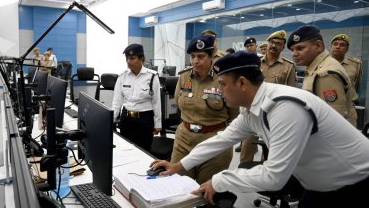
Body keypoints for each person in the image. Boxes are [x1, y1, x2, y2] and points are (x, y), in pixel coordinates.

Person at [151, 51, 369, 208]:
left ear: (242, 83)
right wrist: (179, 165)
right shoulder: (254, 109)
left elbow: (274, 177)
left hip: (353, 186)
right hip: (319, 186)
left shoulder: (285, 107)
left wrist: (219, 181)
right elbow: (221, 139)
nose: (219, 90)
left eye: (223, 84)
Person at [171, 34, 238, 184]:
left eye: (200, 56)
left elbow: (234, 114)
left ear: (211, 57)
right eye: (192, 56)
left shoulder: (223, 78)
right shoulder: (184, 77)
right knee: (178, 188)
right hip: (184, 141)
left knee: (206, 191)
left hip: (214, 144)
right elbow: (178, 101)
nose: (195, 60)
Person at [240, 30, 296, 163]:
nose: (274, 45)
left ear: (283, 47)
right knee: (246, 150)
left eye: (278, 43)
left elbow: (291, 93)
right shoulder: (254, 63)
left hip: (274, 115)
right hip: (253, 112)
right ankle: (244, 178)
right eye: (271, 42)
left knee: (271, 153)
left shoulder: (288, 67)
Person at [287, 25, 357, 127]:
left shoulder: (326, 73)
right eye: (292, 50)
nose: (294, 54)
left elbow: (333, 121)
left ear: (318, 46)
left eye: (300, 48)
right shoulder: (317, 67)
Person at [111, 44, 161, 151]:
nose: (129, 61)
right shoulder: (122, 76)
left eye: (132, 58)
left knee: (144, 151)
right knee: (125, 150)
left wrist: (158, 123)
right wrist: (110, 120)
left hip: (144, 120)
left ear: (141, 59)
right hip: (126, 119)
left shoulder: (152, 76)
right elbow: (117, 102)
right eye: (127, 59)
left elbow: (156, 102)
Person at [330, 33, 362, 101]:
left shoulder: (356, 65)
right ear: (331, 47)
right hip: (328, 103)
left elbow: (356, 85)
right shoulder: (322, 63)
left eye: (342, 45)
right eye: (335, 44)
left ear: (347, 49)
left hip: (348, 104)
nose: (338, 47)